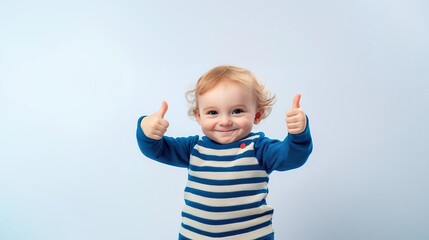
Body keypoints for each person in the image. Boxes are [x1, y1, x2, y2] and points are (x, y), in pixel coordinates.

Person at [136, 65, 313, 240]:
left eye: (237, 111)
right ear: (199, 116)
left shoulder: (259, 149)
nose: (225, 121)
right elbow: (156, 150)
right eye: (213, 112)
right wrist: (146, 129)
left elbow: (292, 157)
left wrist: (298, 134)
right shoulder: (193, 148)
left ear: (257, 115)